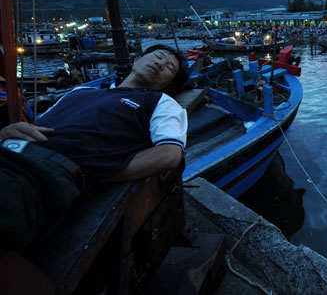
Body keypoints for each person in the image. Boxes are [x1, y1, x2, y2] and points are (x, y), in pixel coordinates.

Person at [0, 44, 189, 249]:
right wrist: (6, 132)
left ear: (167, 84)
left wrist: (96, 173)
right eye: (158, 57)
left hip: (40, 173)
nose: (161, 63)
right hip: (10, 151)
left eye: (170, 67)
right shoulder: (80, 91)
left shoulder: (160, 102)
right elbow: (43, 125)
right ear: (137, 61)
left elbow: (169, 155)